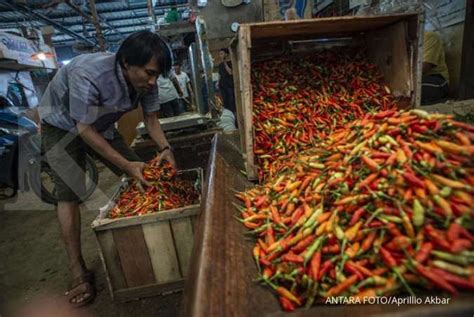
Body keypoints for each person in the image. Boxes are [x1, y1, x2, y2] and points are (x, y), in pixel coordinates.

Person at [38, 31, 176, 307]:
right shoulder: (88, 73)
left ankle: (154, 241)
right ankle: (77, 268)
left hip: (99, 125)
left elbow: (151, 120)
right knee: (69, 193)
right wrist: (126, 164)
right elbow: (83, 129)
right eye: (148, 73)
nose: (152, 82)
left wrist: (165, 149)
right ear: (126, 62)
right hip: (62, 125)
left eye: (156, 75)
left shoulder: (148, 83)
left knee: (144, 175)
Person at [421, 31, 449, 105]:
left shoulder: (429, 36)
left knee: (412, 90)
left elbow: (425, 66)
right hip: (420, 79)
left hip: (437, 80)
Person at [218, 48, 236, 115]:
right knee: (225, 102)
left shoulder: (231, 63)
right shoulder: (220, 65)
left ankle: (233, 115)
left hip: (229, 86)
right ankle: (228, 115)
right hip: (222, 86)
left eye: (222, 54)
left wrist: (225, 62)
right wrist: (218, 83)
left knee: (231, 101)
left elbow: (230, 72)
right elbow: (220, 75)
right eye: (220, 54)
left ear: (226, 54)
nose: (220, 55)